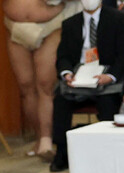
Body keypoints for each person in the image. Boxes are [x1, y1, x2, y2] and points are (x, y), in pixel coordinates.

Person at [50, 0, 124, 172]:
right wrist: (66, 73)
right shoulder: (70, 23)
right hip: (78, 77)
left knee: (108, 103)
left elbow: (123, 54)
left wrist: (110, 76)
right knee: (60, 101)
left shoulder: (117, 19)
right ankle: (62, 152)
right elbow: (62, 56)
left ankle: (106, 154)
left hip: (105, 77)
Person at [3, 0, 80, 159]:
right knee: (25, 86)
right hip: (14, 25)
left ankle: (47, 140)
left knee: (45, 85)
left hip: (50, 25)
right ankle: (39, 138)